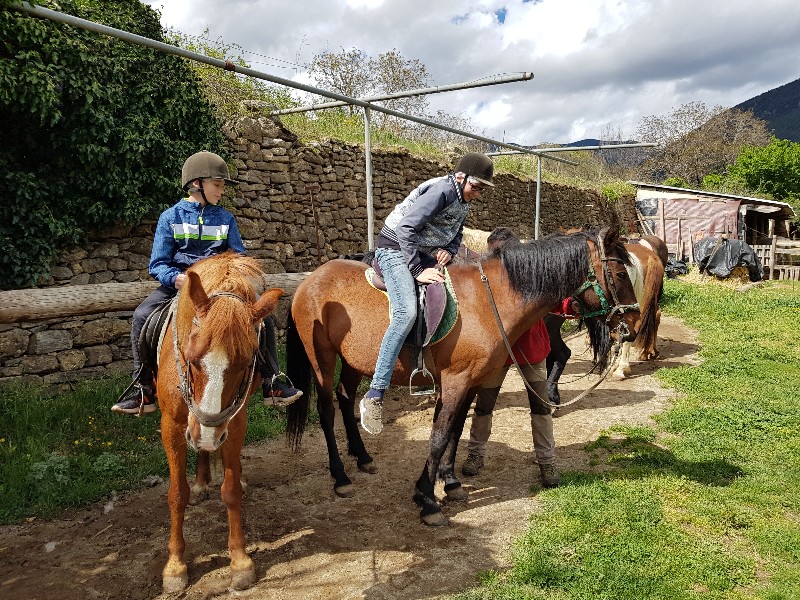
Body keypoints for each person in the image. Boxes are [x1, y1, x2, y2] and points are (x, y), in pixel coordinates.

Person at [111, 151, 301, 415]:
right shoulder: (170, 217)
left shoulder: (226, 219)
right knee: (142, 316)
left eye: (222, 186)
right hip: (181, 284)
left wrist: (235, 278)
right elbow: (157, 264)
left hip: (222, 289)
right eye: (218, 184)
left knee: (264, 319)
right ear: (197, 183)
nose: (222, 191)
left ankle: (272, 380)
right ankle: (143, 388)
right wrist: (175, 279)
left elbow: (239, 256)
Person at [360, 152, 495, 435]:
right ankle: (375, 394)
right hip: (396, 249)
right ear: (462, 177)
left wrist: (448, 248)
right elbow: (407, 228)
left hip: (424, 251)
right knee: (405, 312)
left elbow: (456, 232)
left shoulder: (463, 198)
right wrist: (417, 270)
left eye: (483, 189)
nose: (479, 192)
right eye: (477, 186)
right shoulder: (442, 191)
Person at [460, 227, 572, 488]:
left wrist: (572, 305)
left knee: (541, 407)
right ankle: (475, 454)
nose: (497, 258)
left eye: (500, 252)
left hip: (531, 350)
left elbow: (558, 302)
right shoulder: (486, 276)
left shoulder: (532, 274)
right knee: (484, 406)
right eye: (494, 253)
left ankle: (546, 461)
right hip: (497, 353)